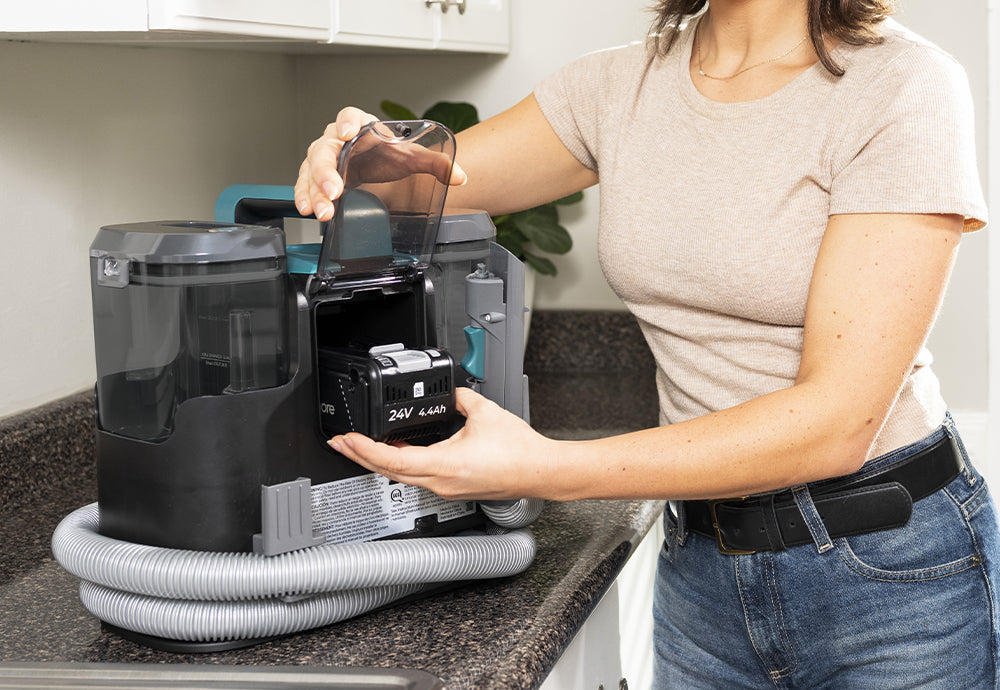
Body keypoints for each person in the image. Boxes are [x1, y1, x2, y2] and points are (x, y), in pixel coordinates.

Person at [295, 0, 1000, 686]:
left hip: (889, 572)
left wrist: (542, 468)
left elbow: (837, 426)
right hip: (703, 568)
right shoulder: (615, 86)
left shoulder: (903, 85)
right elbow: (410, 185)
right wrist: (358, 156)